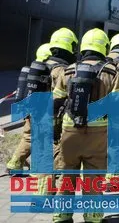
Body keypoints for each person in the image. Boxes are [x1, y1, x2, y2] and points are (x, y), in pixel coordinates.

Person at [52, 28, 119, 223]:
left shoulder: (68, 70)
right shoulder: (112, 71)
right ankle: (93, 218)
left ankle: (61, 216)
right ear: (104, 47)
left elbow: (56, 102)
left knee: (66, 177)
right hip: (98, 135)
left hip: (69, 131)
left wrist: (55, 131)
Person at [7, 30, 78, 177]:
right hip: (50, 113)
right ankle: (48, 173)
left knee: (29, 137)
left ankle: (14, 164)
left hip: (34, 110)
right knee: (54, 142)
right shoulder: (61, 69)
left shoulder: (42, 66)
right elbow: (62, 94)